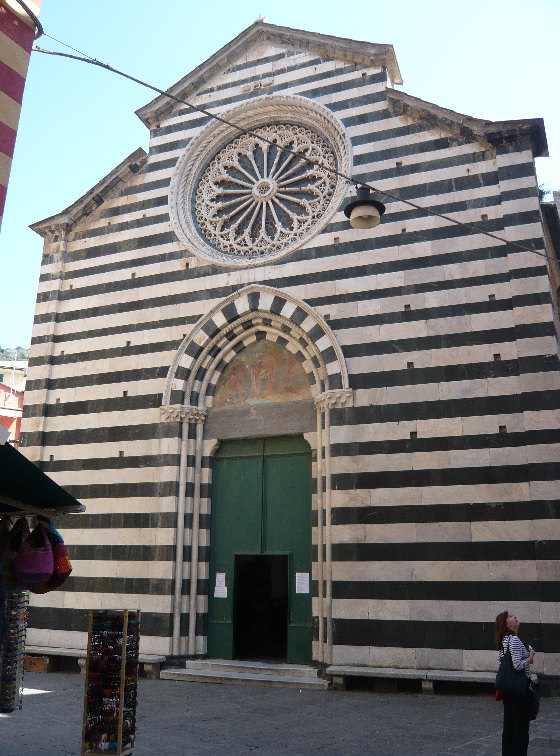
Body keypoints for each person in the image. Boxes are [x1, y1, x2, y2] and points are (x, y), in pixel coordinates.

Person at [495, 611, 535, 756]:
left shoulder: (504, 641)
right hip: (518, 689)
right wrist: (529, 660)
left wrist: (528, 653)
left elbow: (501, 662)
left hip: (508, 689)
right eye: (510, 617)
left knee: (510, 726)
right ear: (506, 624)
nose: (514, 617)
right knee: (521, 727)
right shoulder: (514, 640)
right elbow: (518, 665)